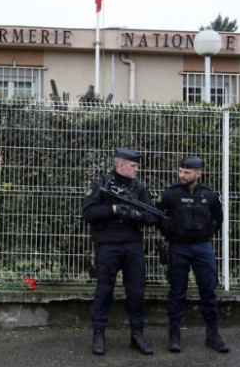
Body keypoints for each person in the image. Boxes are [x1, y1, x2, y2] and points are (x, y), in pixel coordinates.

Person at [82, 148, 157, 356]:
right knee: (104, 291)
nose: (136, 169)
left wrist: (135, 214)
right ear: (121, 165)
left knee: (136, 291)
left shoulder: (139, 188)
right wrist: (113, 210)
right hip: (108, 247)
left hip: (133, 247)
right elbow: (87, 212)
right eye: (133, 166)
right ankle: (98, 334)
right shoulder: (101, 186)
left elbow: (153, 217)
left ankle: (137, 335)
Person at [156, 155, 229, 353]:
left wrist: (206, 235)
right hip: (178, 246)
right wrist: (168, 232)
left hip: (202, 247)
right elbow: (157, 216)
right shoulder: (171, 193)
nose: (182, 175)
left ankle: (212, 334)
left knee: (208, 290)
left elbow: (218, 218)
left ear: (198, 173)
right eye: (180, 171)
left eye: (186, 172)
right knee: (177, 291)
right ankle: (174, 333)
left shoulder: (209, 195)